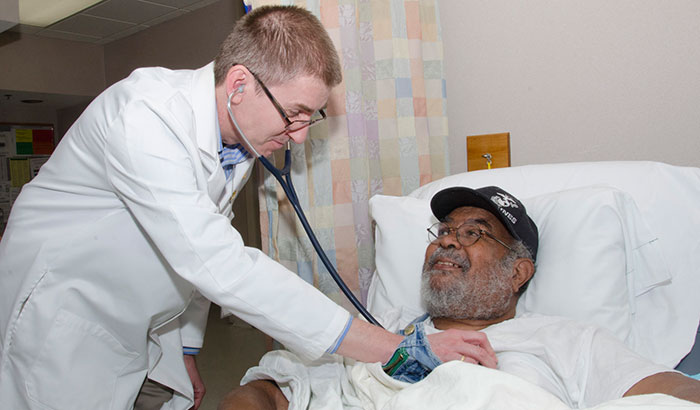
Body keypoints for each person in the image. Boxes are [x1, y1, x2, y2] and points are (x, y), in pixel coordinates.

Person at [0, 6, 497, 410]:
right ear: (239, 84)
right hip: (60, 318)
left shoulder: (235, 142)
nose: (300, 135)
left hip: (138, 322)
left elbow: (190, 252)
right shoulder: (143, 117)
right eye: (294, 114)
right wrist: (395, 348)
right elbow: (216, 262)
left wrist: (189, 348)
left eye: (312, 117)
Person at [220, 186, 700, 409]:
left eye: (475, 233)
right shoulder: (382, 335)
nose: (447, 241)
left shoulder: (566, 339)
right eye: (445, 231)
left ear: (519, 272)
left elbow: (672, 392)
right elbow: (265, 391)